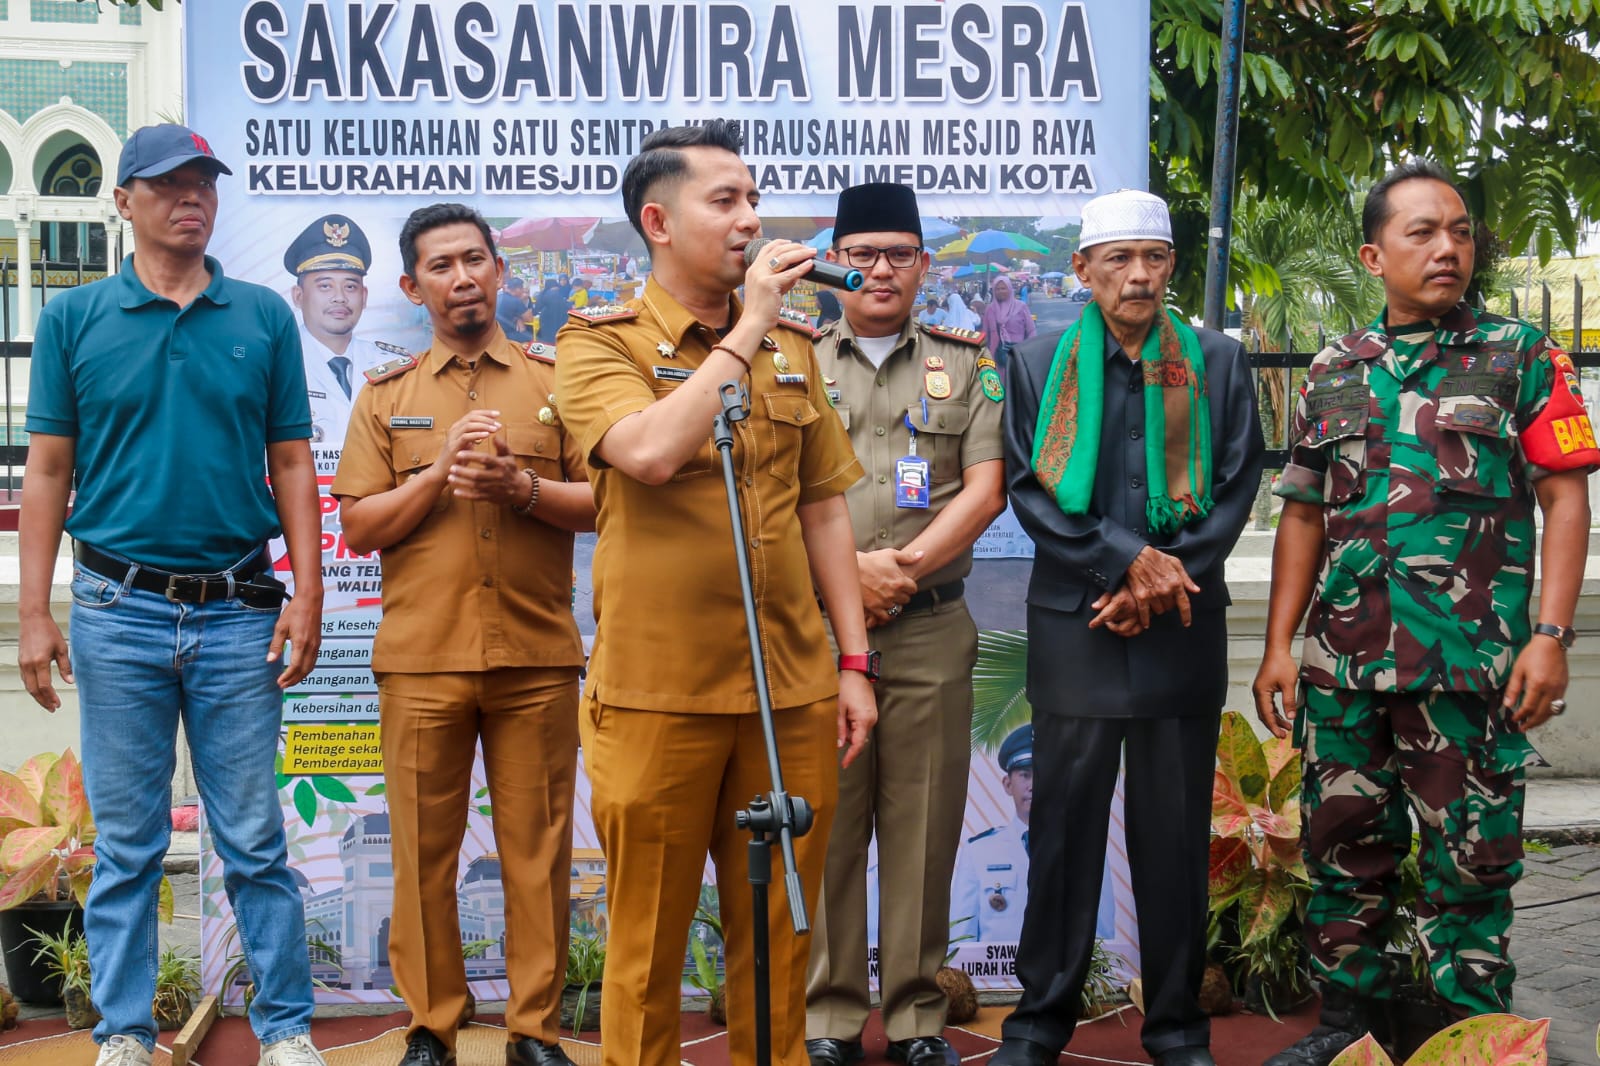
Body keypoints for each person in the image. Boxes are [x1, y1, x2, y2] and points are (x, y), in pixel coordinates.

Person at [1253, 161, 1597, 1066]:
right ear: (1373, 255)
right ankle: (1346, 1031)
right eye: (1422, 233)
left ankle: (1473, 1040)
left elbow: (1565, 501)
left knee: (1471, 866)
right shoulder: (1333, 368)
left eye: (1461, 232)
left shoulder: (1521, 354)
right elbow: (1301, 514)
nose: (1448, 248)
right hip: (1344, 666)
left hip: (1473, 667)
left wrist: (1552, 638)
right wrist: (1278, 647)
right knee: (1341, 855)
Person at [554, 118, 878, 1066]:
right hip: (656, 695)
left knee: (780, 940)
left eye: (753, 198)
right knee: (647, 943)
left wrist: (854, 663)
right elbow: (649, 453)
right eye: (724, 200)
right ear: (657, 220)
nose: (751, 219)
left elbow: (825, 512)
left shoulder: (793, 350)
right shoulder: (594, 344)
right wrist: (743, 334)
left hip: (789, 689)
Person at [16, 123, 327, 1066]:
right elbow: (48, 470)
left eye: (203, 182)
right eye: (167, 184)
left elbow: (291, 462)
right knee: (127, 845)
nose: (191, 197)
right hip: (116, 610)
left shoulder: (263, 316)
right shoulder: (74, 319)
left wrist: (306, 595)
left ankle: (285, 1031)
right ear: (124, 202)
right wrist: (36, 611)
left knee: (254, 839)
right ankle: (121, 1032)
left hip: (239, 609)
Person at [994, 189, 1264, 1066]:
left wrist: (1156, 578)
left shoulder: (1220, 363)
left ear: (1172, 268)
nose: (1139, 275)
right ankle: (1039, 1024)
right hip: (1078, 629)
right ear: (1083, 271)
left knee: (1174, 838)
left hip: (1178, 623)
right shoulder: (1037, 363)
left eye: (1154, 259)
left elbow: (1233, 486)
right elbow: (1030, 490)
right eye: (1119, 259)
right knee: (1062, 836)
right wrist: (1122, 562)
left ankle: (1177, 1028)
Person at [332, 204, 596, 1066]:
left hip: (537, 658)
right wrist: (442, 472)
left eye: (476, 260)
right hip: (422, 660)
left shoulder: (559, 381)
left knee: (539, 852)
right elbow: (362, 528)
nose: (463, 277)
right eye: (441, 266)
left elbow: (612, 504)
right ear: (413, 287)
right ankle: (433, 1028)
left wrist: (521, 487)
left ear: (501, 273)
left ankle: (533, 1032)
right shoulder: (388, 397)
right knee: (420, 855)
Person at [803, 182, 1005, 1066]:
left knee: (924, 826)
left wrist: (900, 570)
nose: (880, 269)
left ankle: (919, 1018)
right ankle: (830, 1020)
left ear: (925, 265)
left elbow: (987, 489)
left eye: (899, 253)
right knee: (830, 828)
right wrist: (852, 578)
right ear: (833, 264)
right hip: (815, 633)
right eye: (862, 253)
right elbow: (768, 495)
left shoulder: (968, 363)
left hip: (928, 626)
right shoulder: (791, 360)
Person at [284, 213, 410, 446]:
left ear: (364, 297)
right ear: (298, 296)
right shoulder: (276, 364)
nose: (339, 298)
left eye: (350, 286)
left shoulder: (396, 366)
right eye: (325, 286)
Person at [949, 726, 1034, 944]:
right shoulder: (979, 851)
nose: (1033, 786)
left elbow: (1102, 944)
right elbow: (962, 938)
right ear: (1008, 784)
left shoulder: (1082, 851)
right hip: (994, 978)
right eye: (1025, 775)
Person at [979, 276, 1035, 368]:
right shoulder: (990, 309)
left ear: (1009, 289)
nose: (1000, 291)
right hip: (995, 356)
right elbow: (985, 334)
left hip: (1018, 355)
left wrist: (1029, 351)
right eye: (997, 289)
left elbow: (1031, 331)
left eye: (1003, 288)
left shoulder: (1021, 307)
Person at [497, 273, 534, 342]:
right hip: (507, 334)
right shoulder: (515, 301)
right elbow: (530, 319)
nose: (523, 291)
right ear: (517, 289)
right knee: (530, 336)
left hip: (496, 333)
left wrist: (518, 318)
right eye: (522, 288)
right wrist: (523, 299)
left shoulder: (499, 297)